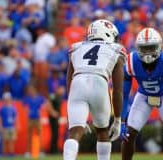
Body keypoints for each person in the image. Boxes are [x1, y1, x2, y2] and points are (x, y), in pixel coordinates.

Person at [121, 28, 163, 160]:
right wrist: (122, 121)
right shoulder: (130, 62)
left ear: (159, 46)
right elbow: (123, 94)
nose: (147, 52)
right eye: (144, 48)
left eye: (151, 47)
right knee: (128, 134)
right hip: (144, 97)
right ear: (137, 48)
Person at [63, 19, 126, 160]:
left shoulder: (76, 47)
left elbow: (69, 80)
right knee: (103, 132)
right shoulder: (116, 49)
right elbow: (117, 90)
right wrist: (117, 120)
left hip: (77, 84)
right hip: (99, 83)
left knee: (74, 132)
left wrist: (73, 105)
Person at [23, 85, 59, 158]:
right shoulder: (28, 99)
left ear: (35, 90)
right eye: (29, 90)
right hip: (30, 119)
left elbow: (47, 103)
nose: (30, 92)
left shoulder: (40, 98)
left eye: (31, 90)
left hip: (38, 119)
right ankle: (28, 152)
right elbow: (25, 107)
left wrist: (52, 112)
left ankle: (41, 152)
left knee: (40, 136)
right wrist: (27, 111)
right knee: (29, 136)